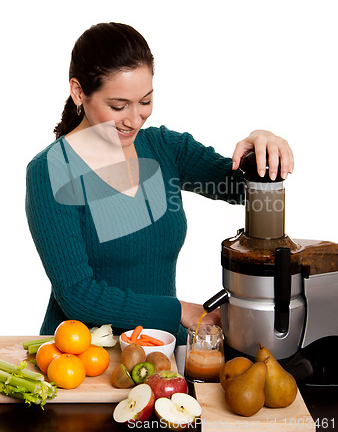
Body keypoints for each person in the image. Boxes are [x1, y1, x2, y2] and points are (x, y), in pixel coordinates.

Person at [25, 22, 294, 345]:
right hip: (82, 356)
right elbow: (78, 295)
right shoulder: (51, 171)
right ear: (78, 91)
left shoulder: (165, 148)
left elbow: (241, 191)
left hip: (160, 350)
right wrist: (179, 310)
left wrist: (262, 148)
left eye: (145, 101)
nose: (134, 119)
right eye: (118, 106)